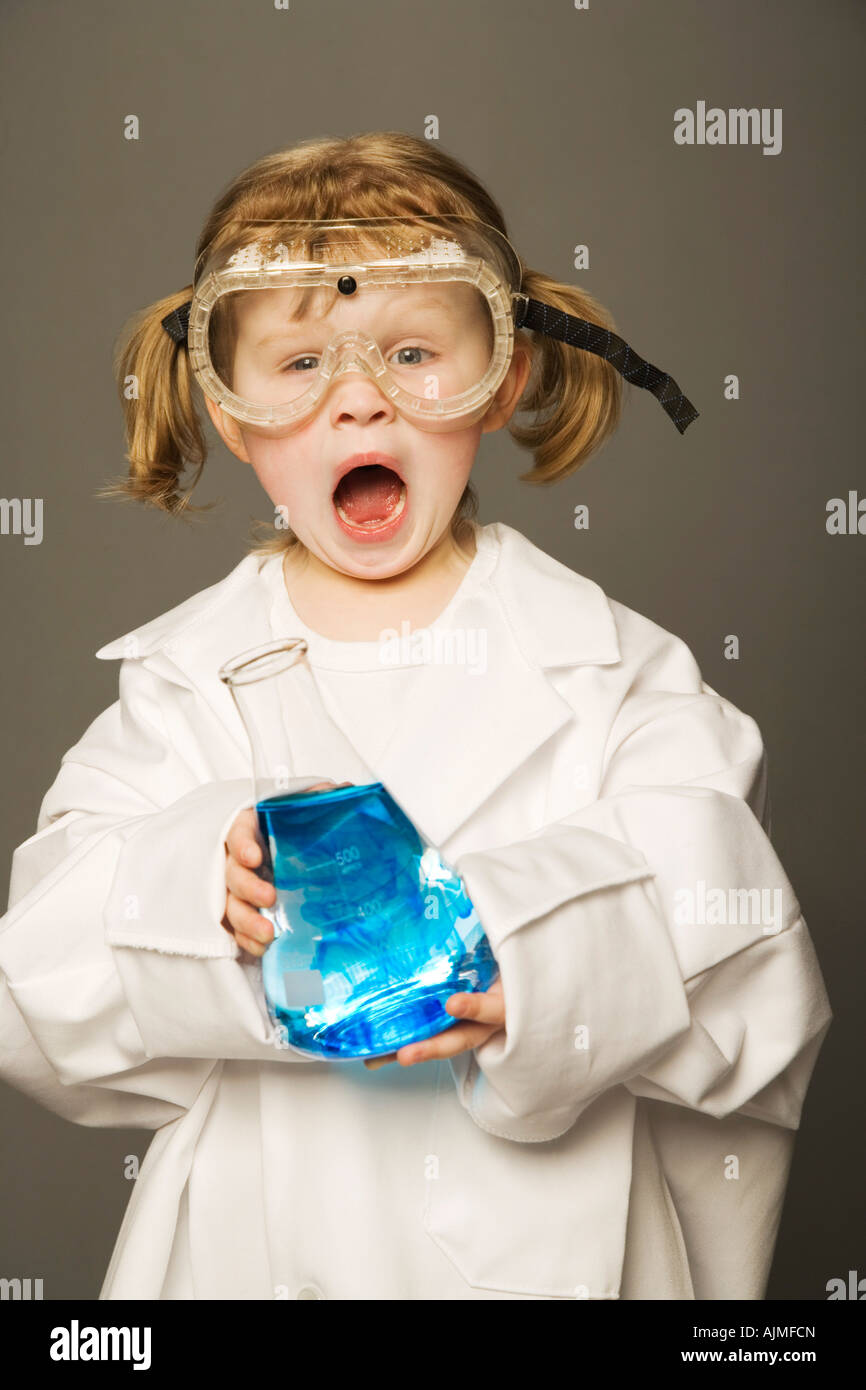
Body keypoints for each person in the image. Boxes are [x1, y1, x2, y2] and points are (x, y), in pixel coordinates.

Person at [0, 132, 831, 1301]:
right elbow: (37, 969)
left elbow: (738, 936)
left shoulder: (610, 668)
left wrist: (542, 953)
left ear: (499, 378)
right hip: (256, 1248)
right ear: (230, 416)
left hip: (560, 1250)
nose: (356, 404)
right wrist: (195, 883)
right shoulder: (186, 682)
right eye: (296, 365)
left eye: (408, 353)